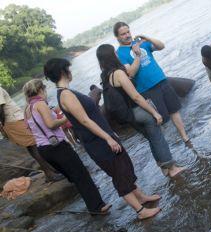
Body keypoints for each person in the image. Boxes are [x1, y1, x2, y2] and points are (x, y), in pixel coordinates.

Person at [44, 58, 161, 220]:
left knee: (124, 167)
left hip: (102, 137)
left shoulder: (65, 93)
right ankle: (140, 211)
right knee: (119, 173)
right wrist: (108, 138)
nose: (71, 72)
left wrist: (111, 134)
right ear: (64, 71)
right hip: (98, 142)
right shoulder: (66, 95)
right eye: (69, 69)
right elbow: (85, 120)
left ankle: (141, 196)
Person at [22, 79, 111, 214]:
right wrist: (68, 117)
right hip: (56, 146)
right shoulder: (40, 104)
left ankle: (91, 201)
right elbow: (51, 124)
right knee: (81, 174)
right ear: (40, 90)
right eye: (44, 90)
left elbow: (31, 128)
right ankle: (97, 206)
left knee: (74, 176)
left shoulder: (27, 108)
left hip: (43, 150)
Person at [96, 44, 184, 177]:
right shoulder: (119, 73)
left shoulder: (106, 76)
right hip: (137, 110)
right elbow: (135, 97)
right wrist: (154, 112)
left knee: (152, 138)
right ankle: (172, 168)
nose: (117, 54)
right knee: (158, 137)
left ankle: (164, 168)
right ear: (111, 56)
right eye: (115, 52)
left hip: (128, 115)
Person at [113, 22, 190, 143]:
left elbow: (161, 46)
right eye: (123, 34)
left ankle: (185, 138)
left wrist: (147, 38)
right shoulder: (120, 54)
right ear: (117, 37)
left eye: (128, 32)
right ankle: (168, 145)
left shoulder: (140, 43)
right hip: (147, 89)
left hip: (161, 80)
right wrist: (137, 55)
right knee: (160, 120)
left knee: (174, 110)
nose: (127, 35)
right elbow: (130, 73)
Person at [0, 86, 62, 182]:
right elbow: (0, 109)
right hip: (13, 120)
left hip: (13, 119)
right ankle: (50, 173)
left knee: (32, 146)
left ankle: (50, 172)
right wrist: (3, 123)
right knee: (35, 145)